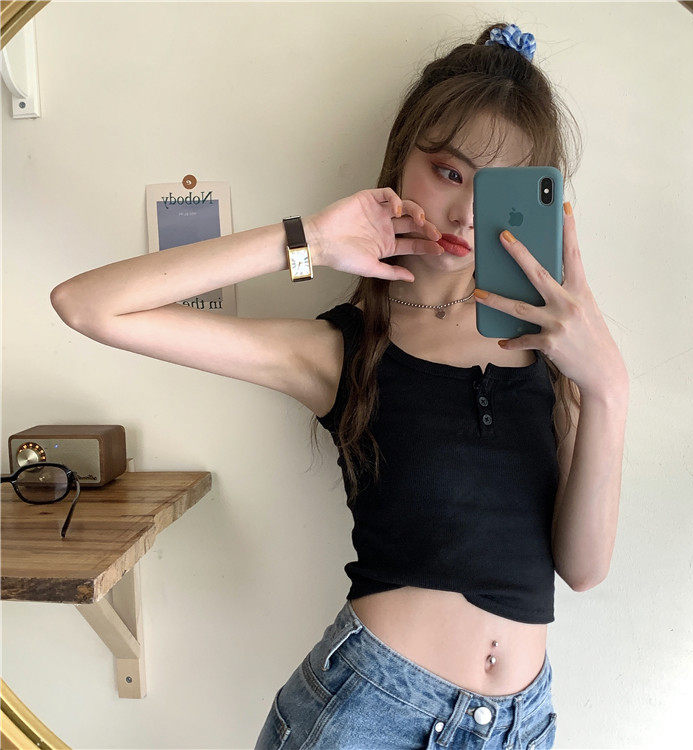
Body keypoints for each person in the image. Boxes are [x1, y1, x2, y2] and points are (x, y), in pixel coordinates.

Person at [51, 21, 629, 750]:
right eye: (448, 172)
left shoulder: (556, 348)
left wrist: (608, 387)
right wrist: (311, 241)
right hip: (369, 713)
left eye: (497, 189)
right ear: (401, 160)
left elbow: (584, 569)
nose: (466, 214)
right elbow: (87, 306)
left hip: (521, 726)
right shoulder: (341, 350)